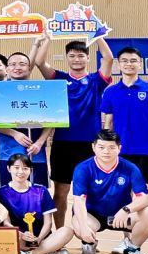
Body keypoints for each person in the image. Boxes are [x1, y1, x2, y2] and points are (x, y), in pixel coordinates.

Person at [99, 46, 148, 240]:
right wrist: (106, 148)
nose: (129, 64)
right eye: (124, 61)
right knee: (124, 196)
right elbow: (108, 123)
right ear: (119, 64)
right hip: (122, 152)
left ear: (140, 64)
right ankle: (127, 240)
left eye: (133, 60)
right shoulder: (111, 92)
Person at [37, 32, 112, 218]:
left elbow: (109, 58)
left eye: (80, 55)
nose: (76, 59)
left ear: (88, 58)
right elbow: (39, 62)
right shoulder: (58, 78)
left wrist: (98, 34)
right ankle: (60, 232)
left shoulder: (96, 80)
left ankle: (85, 231)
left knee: (89, 192)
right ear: (66, 58)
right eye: (72, 55)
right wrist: (47, 39)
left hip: (90, 144)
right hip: (63, 143)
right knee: (60, 192)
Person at [68, 129, 148, 254]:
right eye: (101, 147)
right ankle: (88, 243)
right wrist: (83, 227)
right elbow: (79, 201)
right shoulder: (83, 168)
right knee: (80, 224)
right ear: (93, 147)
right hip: (93, 216)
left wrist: (126, 210)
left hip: (119, 217)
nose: (106, 151)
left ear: (119, 148)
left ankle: (132, 251)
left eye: (111, 147)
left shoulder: (130, 168)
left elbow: (145, 198)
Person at [0, 151, 72, 254]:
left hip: (41, 239)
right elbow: (6, 223)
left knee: (67, 231)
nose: (21, 172)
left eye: (25, 168)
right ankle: (46, 253)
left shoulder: (41, 191)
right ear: (8, 168)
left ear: (30, 170)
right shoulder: (1, 193)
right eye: (16, 168)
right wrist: (22, 235)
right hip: (18, 238)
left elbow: (48, 223)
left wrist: (38, 239)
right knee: (3, 236)